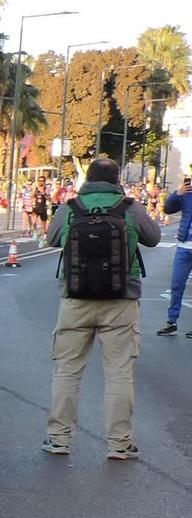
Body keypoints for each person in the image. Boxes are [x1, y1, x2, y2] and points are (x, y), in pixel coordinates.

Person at [43, 160, 161, 460]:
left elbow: (52, 238)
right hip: (121, 300)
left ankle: (59, 439)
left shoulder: (71, 207)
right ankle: (119, 444)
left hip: (75, 297)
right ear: (117, 179)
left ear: (88, 179)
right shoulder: (129, 207)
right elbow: (153, 237)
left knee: (68, 371)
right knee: (119, 373)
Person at [158, 178, 192, 336]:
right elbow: (168, 209)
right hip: (184, 247)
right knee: (176, 285)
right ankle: (171, 322)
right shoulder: (186, 194)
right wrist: (177, 194)